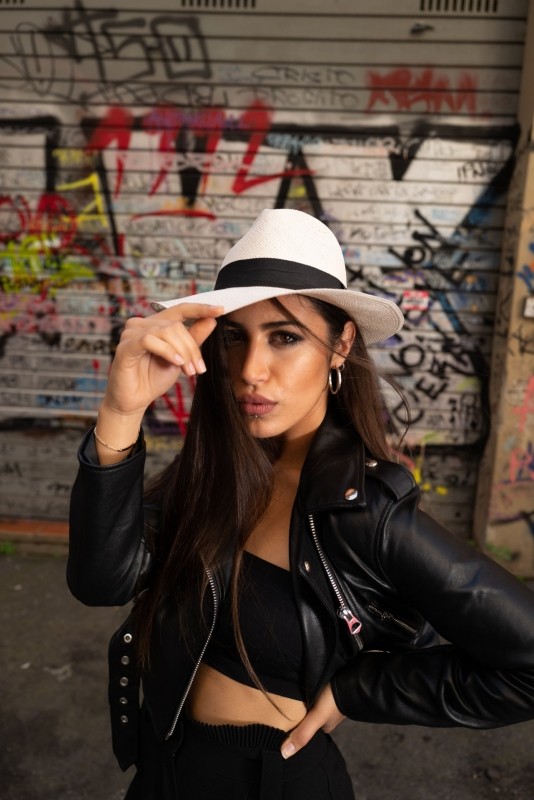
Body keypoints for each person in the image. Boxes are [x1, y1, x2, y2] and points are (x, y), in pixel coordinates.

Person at [68, 208, 534, 800]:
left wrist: (359, 689)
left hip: (272, 783)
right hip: (163, 767)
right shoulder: (216, 471)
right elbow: (101, 581)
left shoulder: (365, 513)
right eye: (234, 336)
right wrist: (121, 411)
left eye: (284, 337)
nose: (249, 370)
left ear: (341, 345)